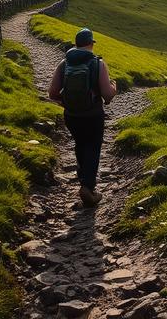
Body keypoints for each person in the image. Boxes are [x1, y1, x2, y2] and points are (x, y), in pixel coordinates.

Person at [48, 27, 117, 207]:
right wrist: (114, 88)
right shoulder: (97, 63)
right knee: (93, 147)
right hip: (93, 115)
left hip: (72, 115)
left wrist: (66, 102)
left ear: (76, 44)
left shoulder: (64, 63)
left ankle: (83, 180)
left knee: (80, 144)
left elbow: (52, 93)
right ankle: (88, 187)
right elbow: (107, 95)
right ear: (91, 44)